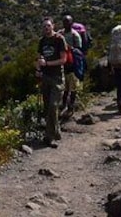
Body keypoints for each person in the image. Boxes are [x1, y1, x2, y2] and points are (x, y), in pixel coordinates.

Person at [36, 17, 67, 147]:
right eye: (44, 26)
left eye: (48, 26)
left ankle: (49, 136)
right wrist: (38, 68)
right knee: (47, 107)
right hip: (45, 77)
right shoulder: (42, 41)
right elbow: (39, 57)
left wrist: (47, 64)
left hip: (57, 77)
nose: (46, 28)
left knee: (53, 105)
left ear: (53, 26)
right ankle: (55, 131)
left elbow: (63, 59)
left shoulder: (59, 39)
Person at [58, 15, 84, 118]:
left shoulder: (75, 35)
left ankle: (71, 107)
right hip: (62, 65)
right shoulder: (60, 34)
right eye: (64, 22)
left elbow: (79, 50)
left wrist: (70, 49)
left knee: (72, 88)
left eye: (67, 22)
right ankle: (63, 106)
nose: (66, 24)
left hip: (72, 65)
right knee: (65, 89)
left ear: (71, 23)